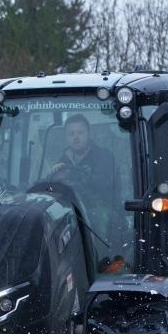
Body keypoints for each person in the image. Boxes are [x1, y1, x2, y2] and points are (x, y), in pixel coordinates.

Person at [49, 114, 123, 272]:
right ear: (66, 138)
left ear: (89, 134)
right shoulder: (62, 160)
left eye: (80, 133)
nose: (76, 137)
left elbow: (102, 183)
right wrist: (54, 177)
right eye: (71, 134)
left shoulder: (103, 156)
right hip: (70, 207)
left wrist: (71, 175)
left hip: (101, 207)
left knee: (96, 221)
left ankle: (100, 265)